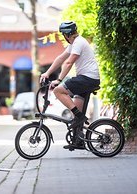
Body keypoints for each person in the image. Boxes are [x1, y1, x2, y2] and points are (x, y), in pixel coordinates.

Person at [40, 21, 100, 150]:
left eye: (63, 35)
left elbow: (68, 63)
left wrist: (59, 80)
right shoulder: (75, 43)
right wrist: (47, 73)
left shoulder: (78, 42)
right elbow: (61, 59)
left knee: (58, 91)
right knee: (75, 112)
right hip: (86, 79)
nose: (63, 37)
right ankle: (78, 140)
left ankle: (80, 118)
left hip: (87, 78)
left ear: (66, 34)